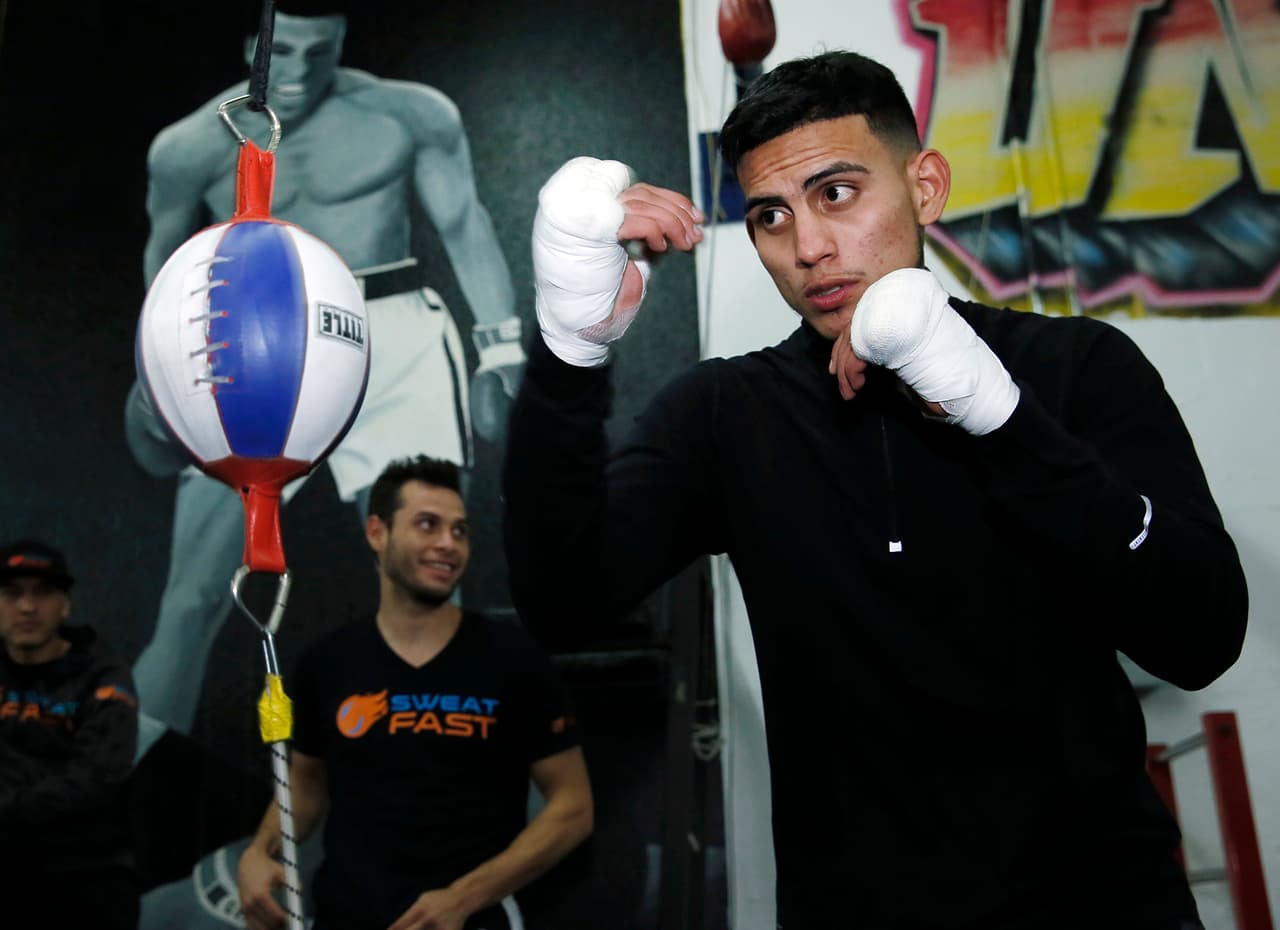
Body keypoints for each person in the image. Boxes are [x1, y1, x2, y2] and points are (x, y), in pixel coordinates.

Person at [502, 50, 1249, 929]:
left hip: (1106, 905)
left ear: (924, 186)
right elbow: (563, 600)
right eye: (771, 215)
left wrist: (996, 414)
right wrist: (568, 355)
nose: (808, 247)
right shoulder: (726, 413)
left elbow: (1201, 632)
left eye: (838, 193)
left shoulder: (1075, 368)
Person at [125, 8, 522, 742]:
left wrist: (502, 348)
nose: (302, 72)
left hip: (393, 334)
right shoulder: (186, 148)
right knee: (191, 598)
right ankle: (129, 820)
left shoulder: (406, 113)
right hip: (258, 348)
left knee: (432, 568)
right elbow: (164, 264)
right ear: (250, 45)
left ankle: (469, 784)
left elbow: (465, 223)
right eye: (285, 52)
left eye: (322, 51)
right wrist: (157, 369)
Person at [237, 455, 592, 930]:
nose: (448, 544)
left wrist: (462, 899)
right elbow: (304, 785)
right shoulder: (329, 662)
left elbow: (574, 808)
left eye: (460, 530)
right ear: (377, 533)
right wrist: (259, 853)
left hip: (474, 922)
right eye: (428, 525)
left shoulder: (513, 658)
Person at [0, 539, 140, 930]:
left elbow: (98, 778)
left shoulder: (103, 674)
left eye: (43, 594)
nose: (27, 607)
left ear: (66, 604)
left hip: (84, 870)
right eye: (12, 594)